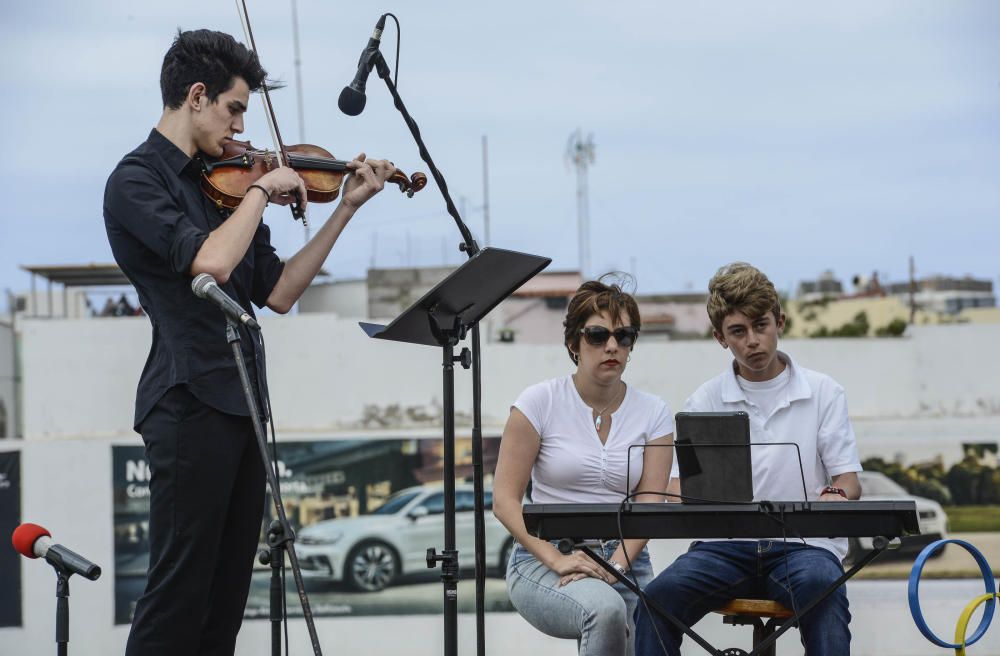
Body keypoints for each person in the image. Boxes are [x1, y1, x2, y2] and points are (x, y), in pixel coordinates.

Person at [103, 29, 397, 656]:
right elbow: (209, 264)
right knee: (178, 594)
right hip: (187, 401)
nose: (241, 129)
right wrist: (263, 189)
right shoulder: (135, 180)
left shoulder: (227, 184)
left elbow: (281, 290)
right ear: (198, 96)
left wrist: (344, 207)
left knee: (225, 600)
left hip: (242, 402)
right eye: (235, 110)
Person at [634, 262, 862, 656]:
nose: (753, 341)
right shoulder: (704, 400)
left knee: (824, 589)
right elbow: (676, 485)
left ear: (780, 322)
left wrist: (835, 495)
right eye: (738, 331)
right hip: (723, 549)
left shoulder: (825, 392)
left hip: (805, 547)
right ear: (720, 338)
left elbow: (849, 480)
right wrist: (685, 492)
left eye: (761, 326)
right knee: (655, 601)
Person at [493, 279, 675, 656]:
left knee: (663, 624)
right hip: (544, 556)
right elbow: (504, 501)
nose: (612, 346)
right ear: (574, 344)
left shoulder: (653, 412)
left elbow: (649, 503)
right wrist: (557, 559)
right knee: (604, 609)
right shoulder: (538, 402)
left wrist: (615, 566)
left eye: (624, 336)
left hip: (626, 555)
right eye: (597, 335)